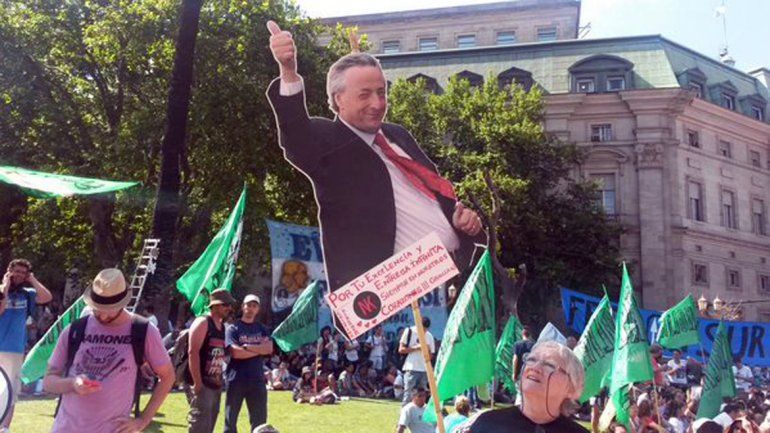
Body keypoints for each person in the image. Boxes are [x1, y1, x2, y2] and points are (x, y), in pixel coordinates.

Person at [265, 21, 484, 293]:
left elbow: (436, 194)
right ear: (339, 99)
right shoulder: (327, 142)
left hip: (454, 277)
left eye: (382, 92)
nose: (378, 104)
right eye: (365, 95)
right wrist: (288, 70)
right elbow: (295, 133)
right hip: (391, 297)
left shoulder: (398, 135)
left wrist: (464, 223)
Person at [43, 268, 174, 433]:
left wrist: (143, 420)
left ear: (123, 303)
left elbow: (168, 376)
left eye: (110, 310)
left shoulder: (143, 330)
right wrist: (72, 383)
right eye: (98, 309)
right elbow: (48, 381)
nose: (103, 316)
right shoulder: (76, 329)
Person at [459, 341, 588, 433]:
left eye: (549, 365)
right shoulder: (486, 424)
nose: (535, 368)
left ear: (572, 387)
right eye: (531, 359)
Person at [0, 258, 52, 430]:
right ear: (9, 271)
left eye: (23, 273)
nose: (19, 275)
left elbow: (46, 297)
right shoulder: (2, 291)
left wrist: (32, 279)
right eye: (17, 271)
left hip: (14, 348)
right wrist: (5, 288)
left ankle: (5, 428)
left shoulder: (27, 293)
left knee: (11, 391)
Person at [186, 289, 235, 433]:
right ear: (215, 305)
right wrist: (197, 383)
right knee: (199, 426)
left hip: (215, 384)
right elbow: (192, 352)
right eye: (226, 304)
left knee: (209, 426)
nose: (229, 308)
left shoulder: (220, 326)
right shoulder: (203, 322)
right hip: (202, 384)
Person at [224, 294, 274, 433]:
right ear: (242, 307)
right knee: (230, 420)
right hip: (236, 379)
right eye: (248, 305)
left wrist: (246, 347)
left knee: (259, 422)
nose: (251, 308)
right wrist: (259, 349)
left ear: (258, 309)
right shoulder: (233, 328)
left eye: (254, 306)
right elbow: (235, 353)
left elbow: (269, 349)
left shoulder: (262, 328)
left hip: (257, 379)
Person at [399, 317, 435, 405]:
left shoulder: (429, 336)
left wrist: (428, 350)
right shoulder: (409, 331)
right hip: (411, 367)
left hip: (424, 369)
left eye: (426, 329)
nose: (424, 331)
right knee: (408, 394)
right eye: (423, 329)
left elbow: (431, 356)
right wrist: (416, 348)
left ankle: (420, 416)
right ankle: (405, 416)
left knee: (422, 395)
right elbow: (401, 350)